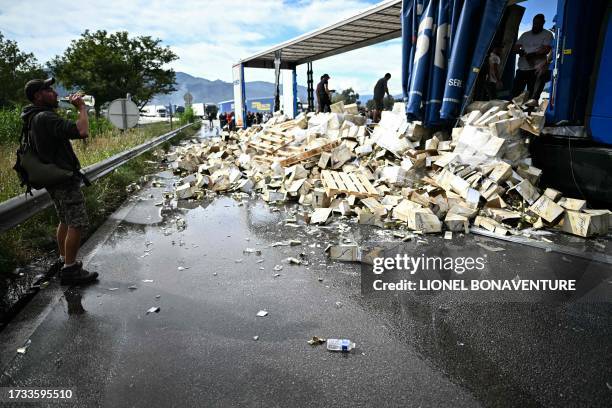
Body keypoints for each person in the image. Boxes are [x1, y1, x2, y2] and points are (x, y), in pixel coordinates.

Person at [21, 78, 98, 285]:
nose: (55, 93)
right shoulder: (45, 117)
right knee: (77, 222)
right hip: (63, 177)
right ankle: (71, 270)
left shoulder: (32, 117)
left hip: (53, 177)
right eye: (49, 90)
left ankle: (65, 261)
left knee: (64, 219)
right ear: (38, 96)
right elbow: (82, 131)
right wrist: (81, 108)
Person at [512, 14, 554, 101]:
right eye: (534, 23)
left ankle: (529, 112)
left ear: (543, 23)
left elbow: (547, 49)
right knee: (515, 95)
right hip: (522, 69)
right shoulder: (525, 35)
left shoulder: (547, 34)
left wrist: (532, 55)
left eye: (538, 23)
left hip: (536, 70)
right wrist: (520, 51)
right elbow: (515, 48)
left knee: (532, 97)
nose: (535, 25)